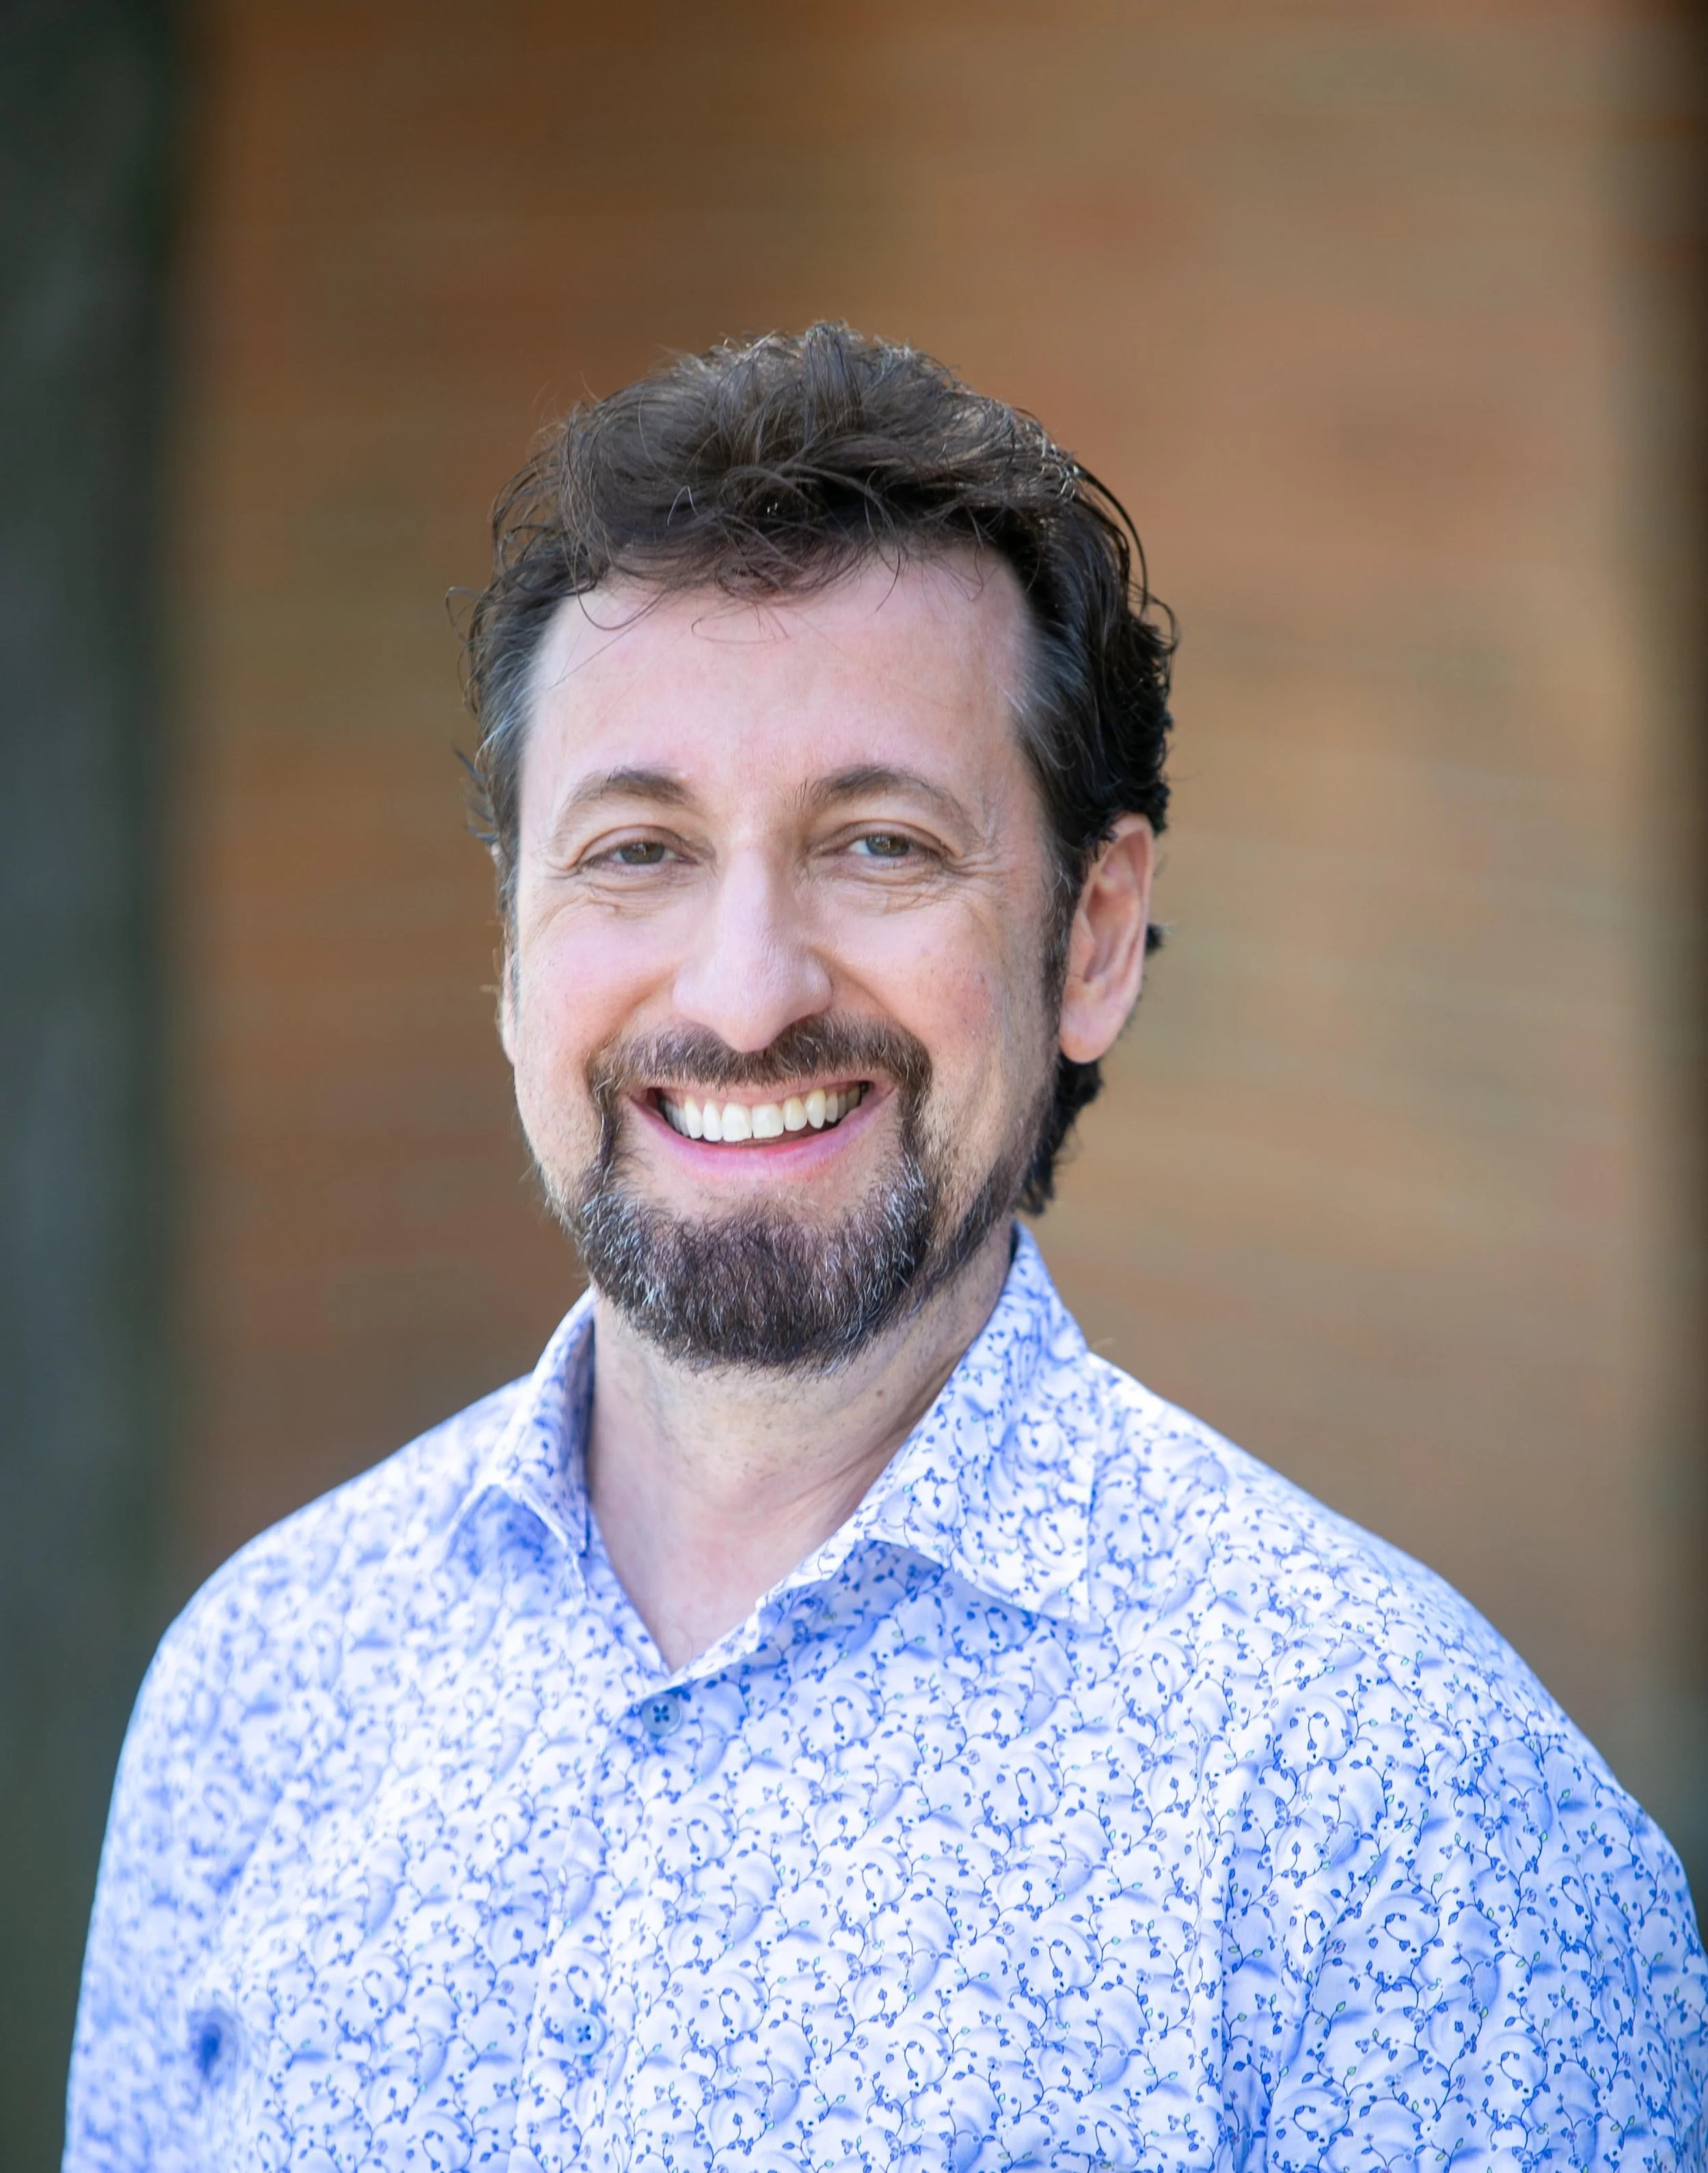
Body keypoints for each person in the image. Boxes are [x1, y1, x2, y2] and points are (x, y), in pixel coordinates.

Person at [65, 324, 1705, 2172]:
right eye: (635, 853)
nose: (747, 992)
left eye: (881, 847)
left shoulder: (1410, 1824)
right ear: (516, 955)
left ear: (1093, 939)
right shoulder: (255, 1694)